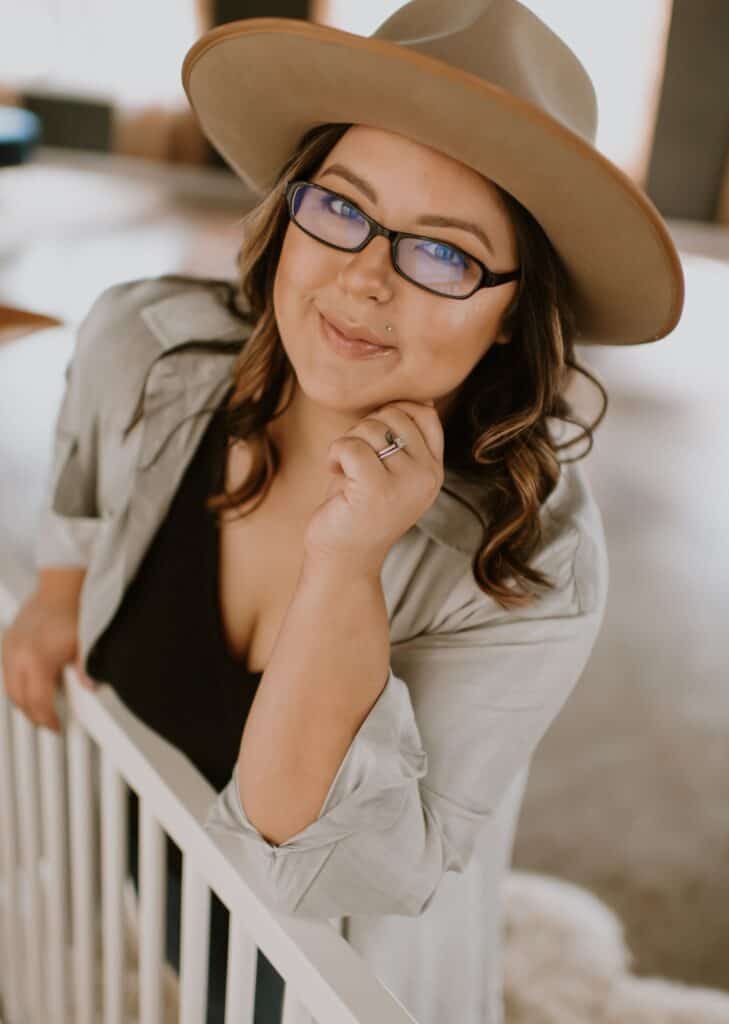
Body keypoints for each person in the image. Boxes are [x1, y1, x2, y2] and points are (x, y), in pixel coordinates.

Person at [1, 1, 685, 1022]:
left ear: (510, 314)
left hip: (345, 960)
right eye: (340, 207)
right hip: (151, 861)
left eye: (444, 254)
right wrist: (60, 591)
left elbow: (311, 853)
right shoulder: (144, 342)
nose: (363, 277)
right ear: (290, 210)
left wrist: (348, 561)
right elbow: (81, 472)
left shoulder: (534, 565)